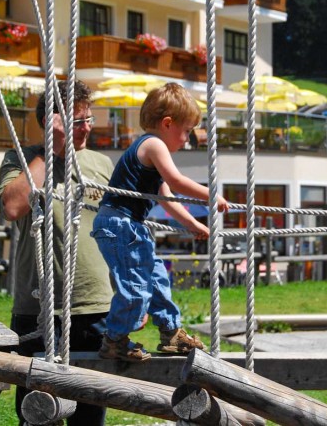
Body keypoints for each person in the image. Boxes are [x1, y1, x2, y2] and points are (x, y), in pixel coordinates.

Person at [0, 80, 114, 426]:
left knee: (90, 415)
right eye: (78, 121)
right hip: (38, 311)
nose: (88, 127)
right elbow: (13, 206)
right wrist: (53, 149)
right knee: (37, 414)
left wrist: (130, 299)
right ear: (53, 123)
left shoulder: (102, 164)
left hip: (95, 308)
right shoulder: (20, 158)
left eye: (89, 118)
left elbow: (121, 233)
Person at [91, 82, 229, 362]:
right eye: (186, 131)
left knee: (156, 278)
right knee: (135, 287)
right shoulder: (153, 144)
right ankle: (115, 340)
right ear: (168, 124)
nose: (187, 139)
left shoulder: (150, 153)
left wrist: (192, 224)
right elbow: (177, 182)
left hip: (129, 226)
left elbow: (166, 198)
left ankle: (170, 332)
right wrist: (211, 195)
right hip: (120, 224)